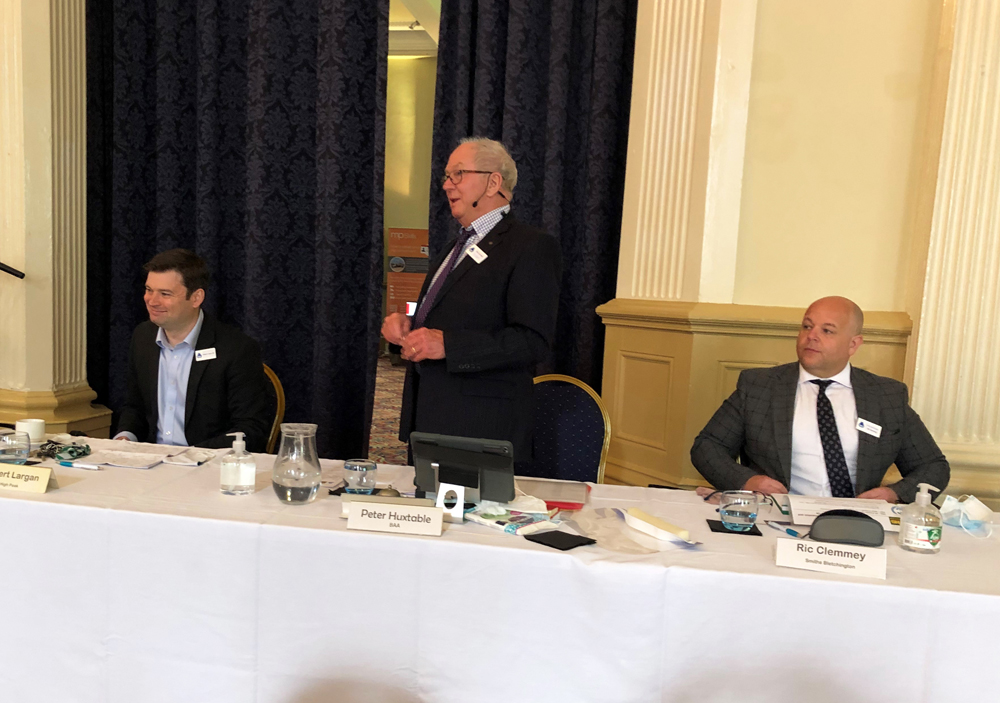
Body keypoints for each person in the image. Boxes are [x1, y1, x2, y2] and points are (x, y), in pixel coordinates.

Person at [381, 138, 561, 464]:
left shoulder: (531, 246)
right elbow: (442, 320)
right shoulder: (453, 247)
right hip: (430, 420)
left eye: (459, 174)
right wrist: (407, 330)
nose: (448, 185)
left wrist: (449, 345)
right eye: (447, 176)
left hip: (481, 428)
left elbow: (532, 341)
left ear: (493, 182)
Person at [690, 296, 949, 503]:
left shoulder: (885, 396)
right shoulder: (760, 387)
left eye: (827, 330)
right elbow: (707, 447)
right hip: (778, 516)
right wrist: (747, 481)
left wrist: (894, 494)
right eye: (807, 326)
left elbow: (933, 467)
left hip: (857, 520)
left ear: (853, 345)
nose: (811, 336)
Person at [115, 249, 271, 451]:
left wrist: (189, 456)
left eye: (165, 294)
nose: (152, 301)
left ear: (196, 298)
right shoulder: (143, 337)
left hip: (209, 467)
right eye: (148, 290)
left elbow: (251, 428)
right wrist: (124, 438)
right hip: (151, 465)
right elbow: (134, 407)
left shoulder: (236, 349)